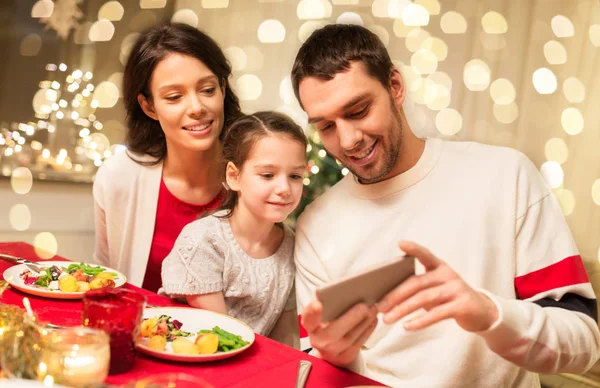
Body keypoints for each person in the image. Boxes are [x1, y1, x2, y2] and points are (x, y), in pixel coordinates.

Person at [291, 24, 600, 387]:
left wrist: (488, 314)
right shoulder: (316, 223)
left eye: (358, 110)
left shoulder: (504, 175)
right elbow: (315, 360)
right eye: (326, 126)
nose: (347, 140)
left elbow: (584, 339)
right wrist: (335, 355)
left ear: (395, 86)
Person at [92, 23, 242, 292]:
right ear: (149, 106)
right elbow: (104, 276)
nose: (196, 108)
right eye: (174, 97)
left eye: (208, 90)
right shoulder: (118, 177)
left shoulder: (254, 174)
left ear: (222, 88)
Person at [161, 111, 306, 347]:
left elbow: (285, 339)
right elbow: (221, 338)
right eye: (268, 175)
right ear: (234, 176)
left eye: (295, 176)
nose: (284, 188)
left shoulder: (292, 245)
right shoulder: (203, 240)